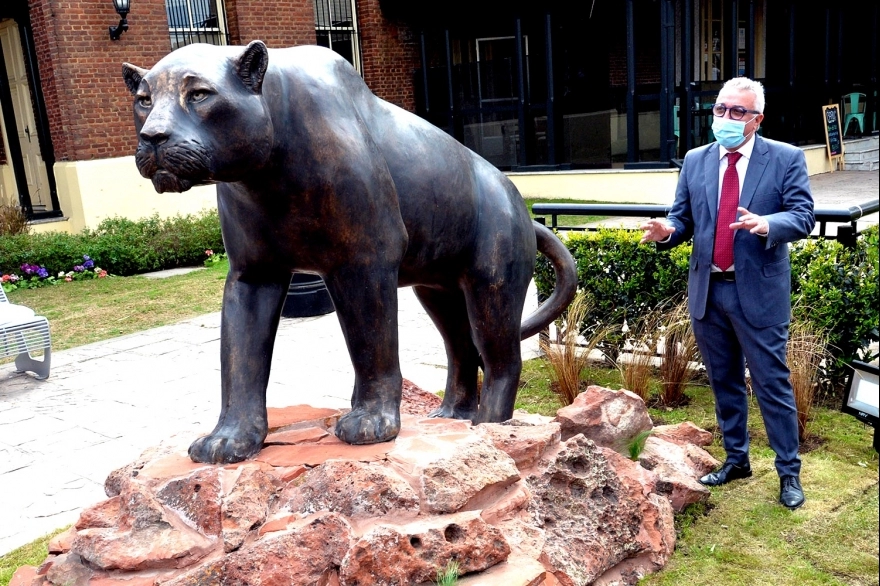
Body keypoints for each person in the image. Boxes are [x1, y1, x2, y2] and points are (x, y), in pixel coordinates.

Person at [640, 77, 815, 510]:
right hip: (708, 292)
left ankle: (788, 473)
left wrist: (768, 224)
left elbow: (803, 215)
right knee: (724, 383)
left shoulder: (786, 158)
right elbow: (683, 220)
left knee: (772, 386)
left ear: (757, 119)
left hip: (757, 293)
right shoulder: (696, 159)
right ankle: (737, 460)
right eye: (720, 109)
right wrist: (667, 231)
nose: (726, 118)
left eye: (738, 112)